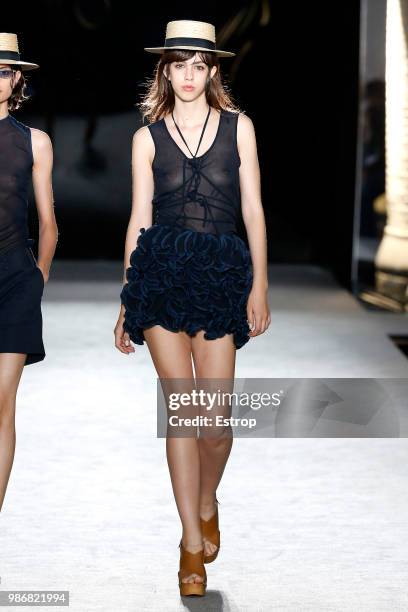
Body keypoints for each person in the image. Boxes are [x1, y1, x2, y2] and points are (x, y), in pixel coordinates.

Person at [114, 20, 270, 597]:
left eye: (198, 65)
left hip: (223, 273)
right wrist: (127, 298)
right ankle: (188, 544)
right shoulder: (145, 137)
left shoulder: (240, 129)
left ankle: (207, 498)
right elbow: (139, 218)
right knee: (183, 412)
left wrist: (259, 284)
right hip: (160, 274)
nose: (187, 75)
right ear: (165, 70)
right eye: (177, 64)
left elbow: (253, 210)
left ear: (212, 70)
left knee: (216, 424)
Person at [0, 33, 58, 511]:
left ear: (16, 77)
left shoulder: (34, 142)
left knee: (2, 404)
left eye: (2, 70)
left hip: (16, 279)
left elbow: (49, 224)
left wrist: (36, 278)